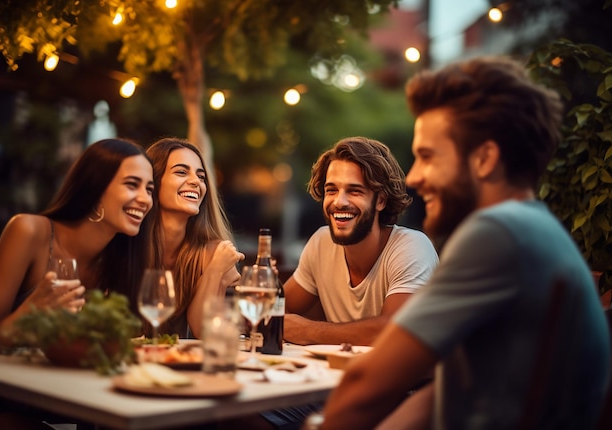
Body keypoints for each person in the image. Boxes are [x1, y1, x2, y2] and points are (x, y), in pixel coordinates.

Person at [316, 56, 611, 429]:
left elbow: (367, 385)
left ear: (484, 158)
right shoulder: (532, 228)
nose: (414, 178)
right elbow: (441, 394)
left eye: (427, 157)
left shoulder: (497, 233)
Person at [0, 138, 154, 428]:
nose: (145, 199)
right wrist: (28, 317)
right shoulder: (29, 231)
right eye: (132, 184)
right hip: (8, 403)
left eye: (149, 189)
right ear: (96, 188)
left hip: (80, 404)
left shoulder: (123, 259)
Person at [283, 136, 438, 346]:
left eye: (354, 191)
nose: (339, 201)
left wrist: (309, 331)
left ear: (381, 200)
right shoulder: (321, 242)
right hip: (333, 373)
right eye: (331, 190)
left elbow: (394, 331)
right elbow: (277, 309)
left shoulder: (412, 247)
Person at [145, 137, 244, 339]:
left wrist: (214, 270)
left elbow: (205, 332)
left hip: (181, 367)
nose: (195, 182)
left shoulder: (215, 253)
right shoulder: (128, 244)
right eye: (181, 172)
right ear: (153, 182)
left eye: (201, 176)